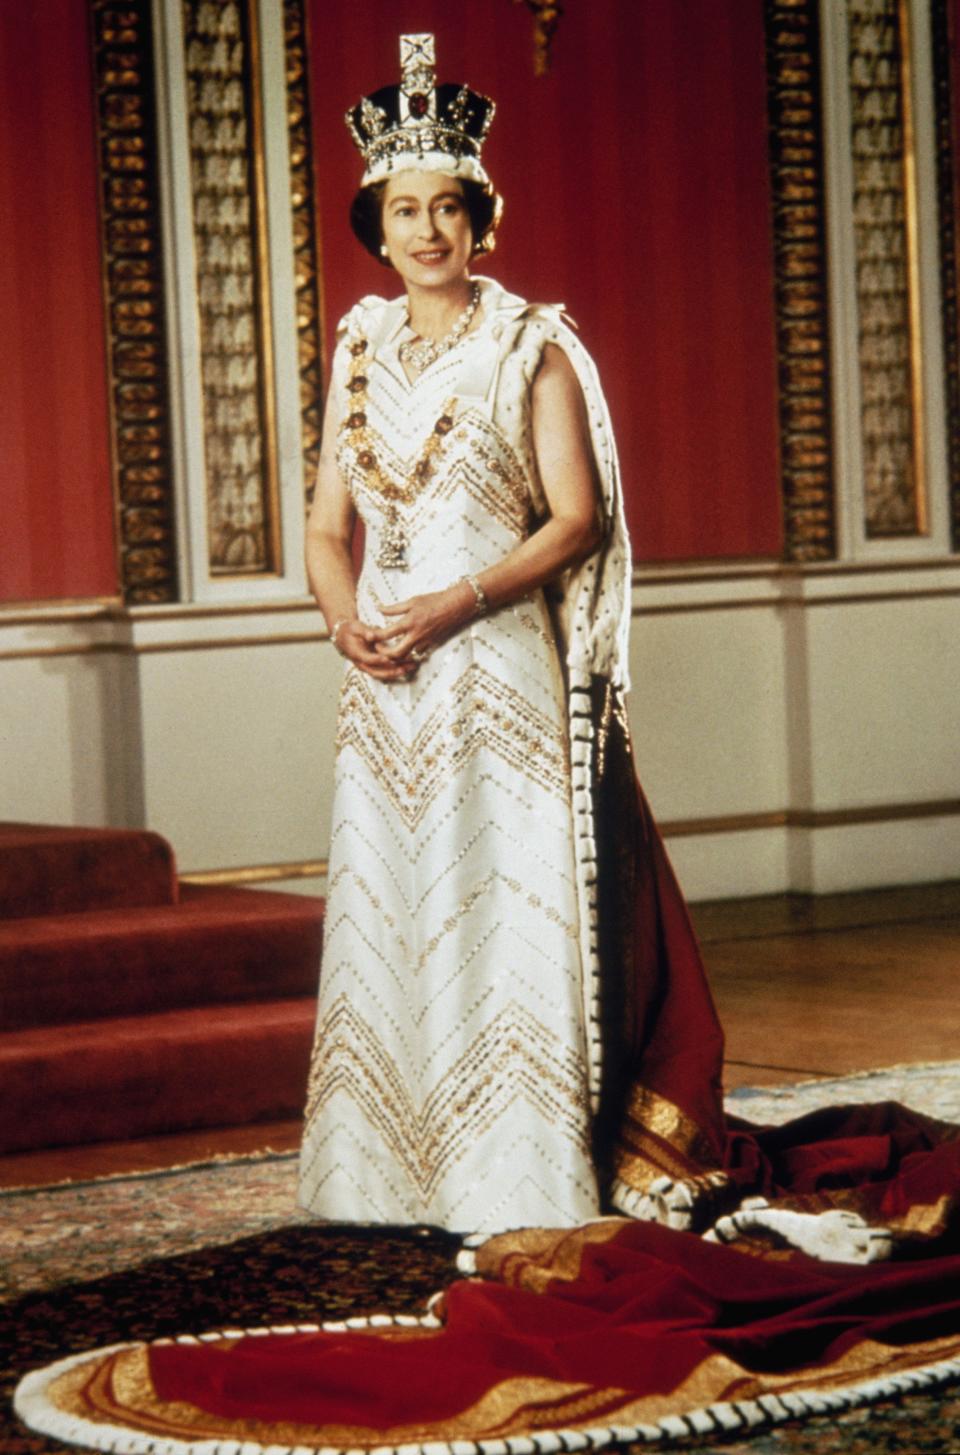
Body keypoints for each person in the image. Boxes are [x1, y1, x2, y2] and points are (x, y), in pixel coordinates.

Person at [297, 33, 637, 1234]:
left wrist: (457, 601)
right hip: (386, 675)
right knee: (396, 908)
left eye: (448, 206)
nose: (428, 229)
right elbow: (327, 526)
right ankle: (385, 1179)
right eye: (405, 209)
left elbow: (577, 520)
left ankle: (515, 1177)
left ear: (479, 219)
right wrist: (349, 623)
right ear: (375, 226)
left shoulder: (530, 343)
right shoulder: (356, 349)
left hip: (492, 660)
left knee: (499, 903)